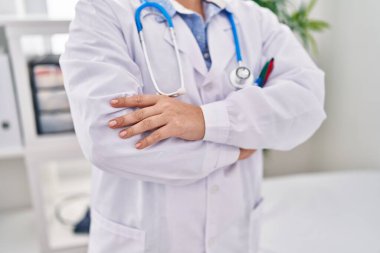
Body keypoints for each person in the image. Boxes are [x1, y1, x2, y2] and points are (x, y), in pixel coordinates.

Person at [60, 0, 326, 252]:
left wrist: (204, 120)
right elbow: (110, 139)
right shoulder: (104, 10)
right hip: (148, 238)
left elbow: (307, 104)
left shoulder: (254, 18)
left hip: (234, 235)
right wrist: (233, 149)